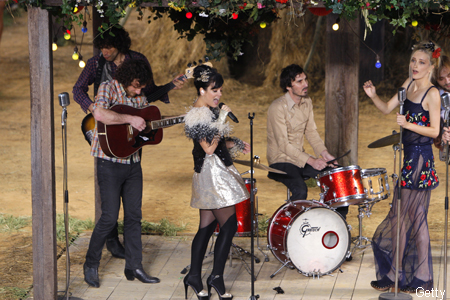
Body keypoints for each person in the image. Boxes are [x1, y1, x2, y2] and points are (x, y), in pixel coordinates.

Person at [73, 25, 185, 259]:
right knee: (109, 206)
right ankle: (109, 241)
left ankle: (132, 260)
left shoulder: (138, 61)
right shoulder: (97, 65)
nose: (105, 51)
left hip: (131, 136)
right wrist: (91, 107)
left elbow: (146, 95)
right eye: (102, 47)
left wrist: (170, 86)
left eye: (109, 47)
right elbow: (78, 90)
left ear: (120, 45)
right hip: (104, 126)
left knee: (132, 206)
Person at [363, 40, 441, 293]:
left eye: (421, 62)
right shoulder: (407, 85)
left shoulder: (432, 94)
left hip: (420, 158)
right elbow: (388, 108)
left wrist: (408, 124)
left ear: (431, 67)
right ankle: (416, 274)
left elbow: (434, 131)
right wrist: (374, 96)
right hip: (408, 157)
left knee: (407, 217)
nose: (415, 66)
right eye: (413, 61)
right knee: (410, 216)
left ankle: (405, 272)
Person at [83, 59, 160, 288]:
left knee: (134, 217)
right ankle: (90, 264)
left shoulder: (141, 97)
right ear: (126, 79)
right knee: (109, 217)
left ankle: (134, 266)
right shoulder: (108, 87)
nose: (139, 91)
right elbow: (99, 114)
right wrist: (130, 118)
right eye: (136, 86)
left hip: (133, 163)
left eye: (141, 87)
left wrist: (148, 130)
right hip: (108, 162)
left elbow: (142, 131)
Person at [183, 65, 250, 300]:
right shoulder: (196, 114)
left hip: (215, 172)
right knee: (229, 225)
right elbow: (209, 148)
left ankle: (194, 276)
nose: (219, 95)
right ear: (202, 90)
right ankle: (216, 277)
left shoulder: (209, 111)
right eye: (214, 90)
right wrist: (222, 117)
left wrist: (237, 144)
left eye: (220, 90)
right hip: (211, 176)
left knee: (207, 226)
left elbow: (218, 142)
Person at [266, 64, 350, 220]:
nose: (306, 84)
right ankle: (285, 226)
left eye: (305, 79)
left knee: (337, 177)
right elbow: (283, 145)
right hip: (280, 160)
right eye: (299, 81)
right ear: (288, 87)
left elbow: (311, 133)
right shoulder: (277, 108)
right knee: (300, 190)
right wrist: (312, 161)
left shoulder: (307, 102)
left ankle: (336, 223)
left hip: (300, 159)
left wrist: (324, 154)